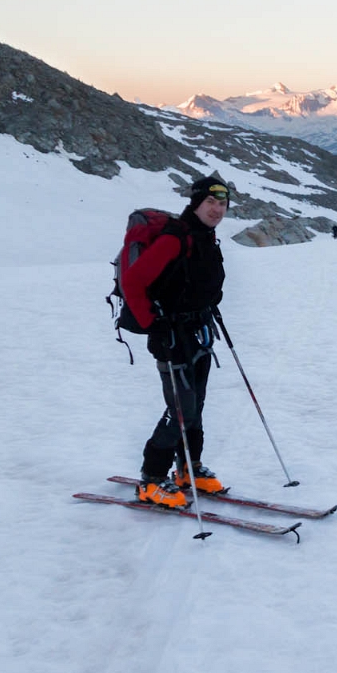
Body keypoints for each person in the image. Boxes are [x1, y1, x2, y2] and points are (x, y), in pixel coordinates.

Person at [120, 174, 231, 508]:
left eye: (222, 203)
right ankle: (151, 479)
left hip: (198, 330)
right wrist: (153, 324)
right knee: (180, 409)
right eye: (210, 202)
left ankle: (188, 468)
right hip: (170, 335)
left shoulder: (206, 238)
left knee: (196, 403)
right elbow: (133, 282)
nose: (217, 209)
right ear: (196, 202)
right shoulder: (175, 238)